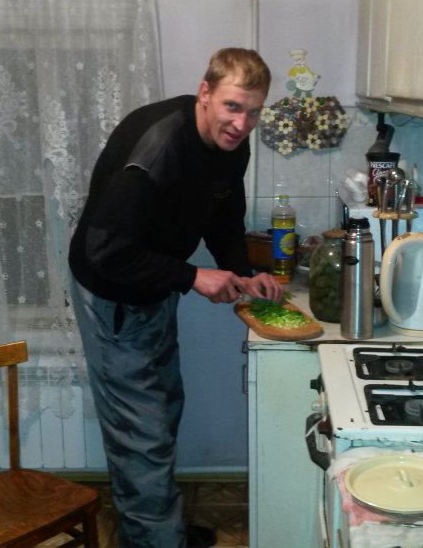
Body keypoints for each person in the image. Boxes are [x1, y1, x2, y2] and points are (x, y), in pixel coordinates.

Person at [68, 48, 283, 548]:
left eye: (254, 112)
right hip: (113, 293)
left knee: (163, 406)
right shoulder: (158, 147)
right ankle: (157, 541)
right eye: (233, 106)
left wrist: (242, 273)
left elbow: (223, 215)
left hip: (154, 282)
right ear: (205, 93)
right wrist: (192, 277)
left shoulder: (230, 146)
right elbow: (105, 251)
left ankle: (154, 529)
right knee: (140, 432)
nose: (242, 124)